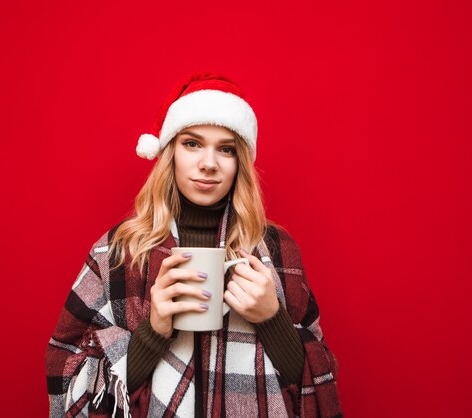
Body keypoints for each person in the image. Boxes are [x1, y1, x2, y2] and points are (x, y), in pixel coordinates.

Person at [45, 72, 343, 417]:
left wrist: (272, 320)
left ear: (239, 163)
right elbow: (67, 382)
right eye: (192, 143)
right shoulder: (116, 252)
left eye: (226, 149)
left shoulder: (277, 251)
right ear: (169, 152)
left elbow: (319, 384)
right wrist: (153, 331)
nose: (208, 163)